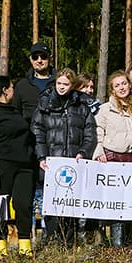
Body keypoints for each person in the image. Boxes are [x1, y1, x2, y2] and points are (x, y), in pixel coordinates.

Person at [33, 68, 97, 247]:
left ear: (72, 86)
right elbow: (38, 131)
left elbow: (89, 133)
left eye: (66, 84)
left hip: (73, 163)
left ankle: (69, 243)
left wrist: (83, 152)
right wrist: (41, 156)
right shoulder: (45, 104)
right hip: (51, 163)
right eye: (59, 83)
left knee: (71, 205)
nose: (61, 87)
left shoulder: (81, 106)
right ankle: (52, 241)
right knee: (52, 205)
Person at [0, 77, 35, 256]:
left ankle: (25, 248)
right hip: (2, 165)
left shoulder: (14, 110)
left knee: (24, 205)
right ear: (4, 90)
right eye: (12, 87)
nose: (14, 90)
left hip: (25, 166)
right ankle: (1, 249)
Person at [94, 71, 132, 247]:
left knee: (131, 202)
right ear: (113, 90)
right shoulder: (105, 109)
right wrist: (99, 151)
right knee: (115, 202)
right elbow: (97, 131)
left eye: (124, 83)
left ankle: (129, 242)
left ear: (129, 85)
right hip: (113, 158)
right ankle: (117, 244)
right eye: (117, 85)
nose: (122, 87)